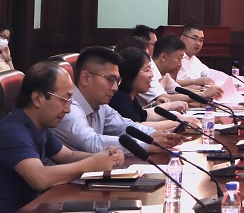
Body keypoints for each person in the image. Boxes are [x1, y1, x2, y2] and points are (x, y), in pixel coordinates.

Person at [0, 62, 124, 213]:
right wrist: (91, 164)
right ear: (37, 98)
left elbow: (68, 155)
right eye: (64, 100)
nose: (68, 109)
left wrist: (105, 157)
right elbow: (39, 178)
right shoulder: (11, 131)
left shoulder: (39, 126)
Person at [53, 46, 183, 154]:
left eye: (117, 80)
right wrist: (146, 144)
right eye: (110, 79)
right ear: (85, 78)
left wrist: (155, 135)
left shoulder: (101, 105)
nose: (115, 88)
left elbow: (125, 126)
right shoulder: (68, 106)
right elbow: (92, 143)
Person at [109, 47, 194, 126]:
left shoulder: (130, 96)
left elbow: (145, 115)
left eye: (151, 69)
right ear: (131, 73)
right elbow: (136, 126)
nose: (152, 75)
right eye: (147, 70)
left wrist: (171, 107)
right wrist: (177, 123)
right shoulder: (120, 98)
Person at [153, 34, 223, 104]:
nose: (180, 64)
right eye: (179, 58)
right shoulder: (150, 73)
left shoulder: (165, 74)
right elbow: (167, 98)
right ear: (163, 57)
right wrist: (204, 94)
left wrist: (206, 92)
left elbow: (178, 91)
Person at [178, 23, 229, 87]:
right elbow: (169, 83)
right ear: (182, 38)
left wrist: (231, 80)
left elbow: (210, 74)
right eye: (194, 38)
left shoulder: (195, 60)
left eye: (201, 40)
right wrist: (194, 82)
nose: (198, 43)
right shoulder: (174, 58)